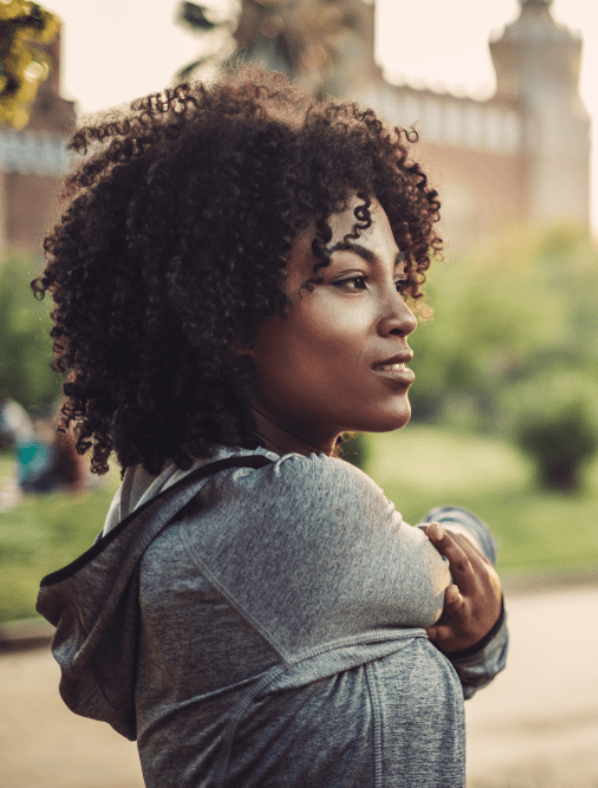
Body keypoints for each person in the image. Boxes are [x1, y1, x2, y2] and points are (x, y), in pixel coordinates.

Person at [34, 68, 507, 787]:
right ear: (232, 319)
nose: (404, 314)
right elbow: (457, 599)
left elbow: (413, 670)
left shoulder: (179, 501)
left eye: (400, 279)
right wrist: (467, 547)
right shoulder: (297, 515)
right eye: (352, 280)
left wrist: (473, 623)